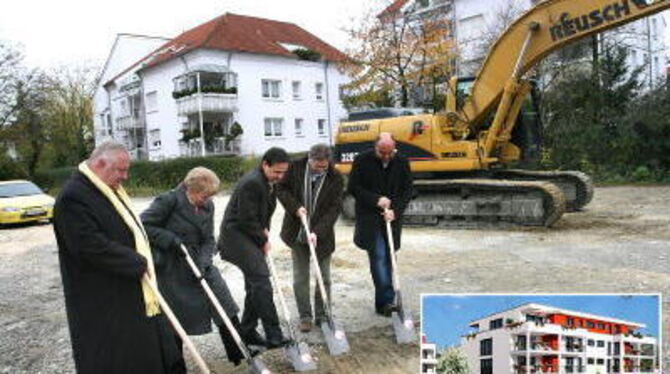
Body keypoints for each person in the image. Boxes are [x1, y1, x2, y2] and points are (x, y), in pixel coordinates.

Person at [53, 141, 181, 374]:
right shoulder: (73, 197)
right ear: (101, 163)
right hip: (101, 298)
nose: (125, 176)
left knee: (142, 352)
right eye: (121, 170)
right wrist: (136, 262)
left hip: (126, 288)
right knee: (115, 357)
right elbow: (88, 245)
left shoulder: (106, 189)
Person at [140, 167, 245, 367]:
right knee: (175, 319)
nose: (207, 201)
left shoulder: (208, 205)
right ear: (191, 189)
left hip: (200, 262)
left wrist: (205, 261)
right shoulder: (168, 201)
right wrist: (169, 239)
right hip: (174, 266)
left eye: (210, 196)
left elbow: (208, 238)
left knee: (225, 304)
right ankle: (174, 365)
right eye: (204, 196)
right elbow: (143, 224)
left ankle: (240, 353)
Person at [217, 147, 291, 349]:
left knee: (255, 285)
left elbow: (262, 214)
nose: (280, 176)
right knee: (261, 282)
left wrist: (263, 235)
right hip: (236, 237)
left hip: (248, 236)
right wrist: (262, 238)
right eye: (277, 172)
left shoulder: (267, 182)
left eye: (284, 172)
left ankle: (247, 331)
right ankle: (274, 334)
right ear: (264, 164)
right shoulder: (252, 183)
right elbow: (246, 219)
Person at [276, 144, 344, 332]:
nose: (321, 170)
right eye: (317, 166)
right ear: (310, 159)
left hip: (322, 236)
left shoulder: (335, 177)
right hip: (296, 232)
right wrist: (295, 207)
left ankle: (323, 316)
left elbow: (335, 208)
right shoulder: (295, 168)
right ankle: (305, 316)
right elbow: (281, 189)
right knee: (300, 278)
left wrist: (318, 232)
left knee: (324, 277)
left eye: (324, 166)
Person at [347, 133, 414, 317]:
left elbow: (408, 190)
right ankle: (386, 301)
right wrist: (376, 200)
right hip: (370, 218)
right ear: (375, 147)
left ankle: (384, 301)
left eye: (389, 152)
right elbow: (353, 187)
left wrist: (396, 210)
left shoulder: (401, 161)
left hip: (391, 220)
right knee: (378, 256)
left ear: (394, 148)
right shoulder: (362, 160)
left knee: (389, 258)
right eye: (382, 152)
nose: (385, 156)